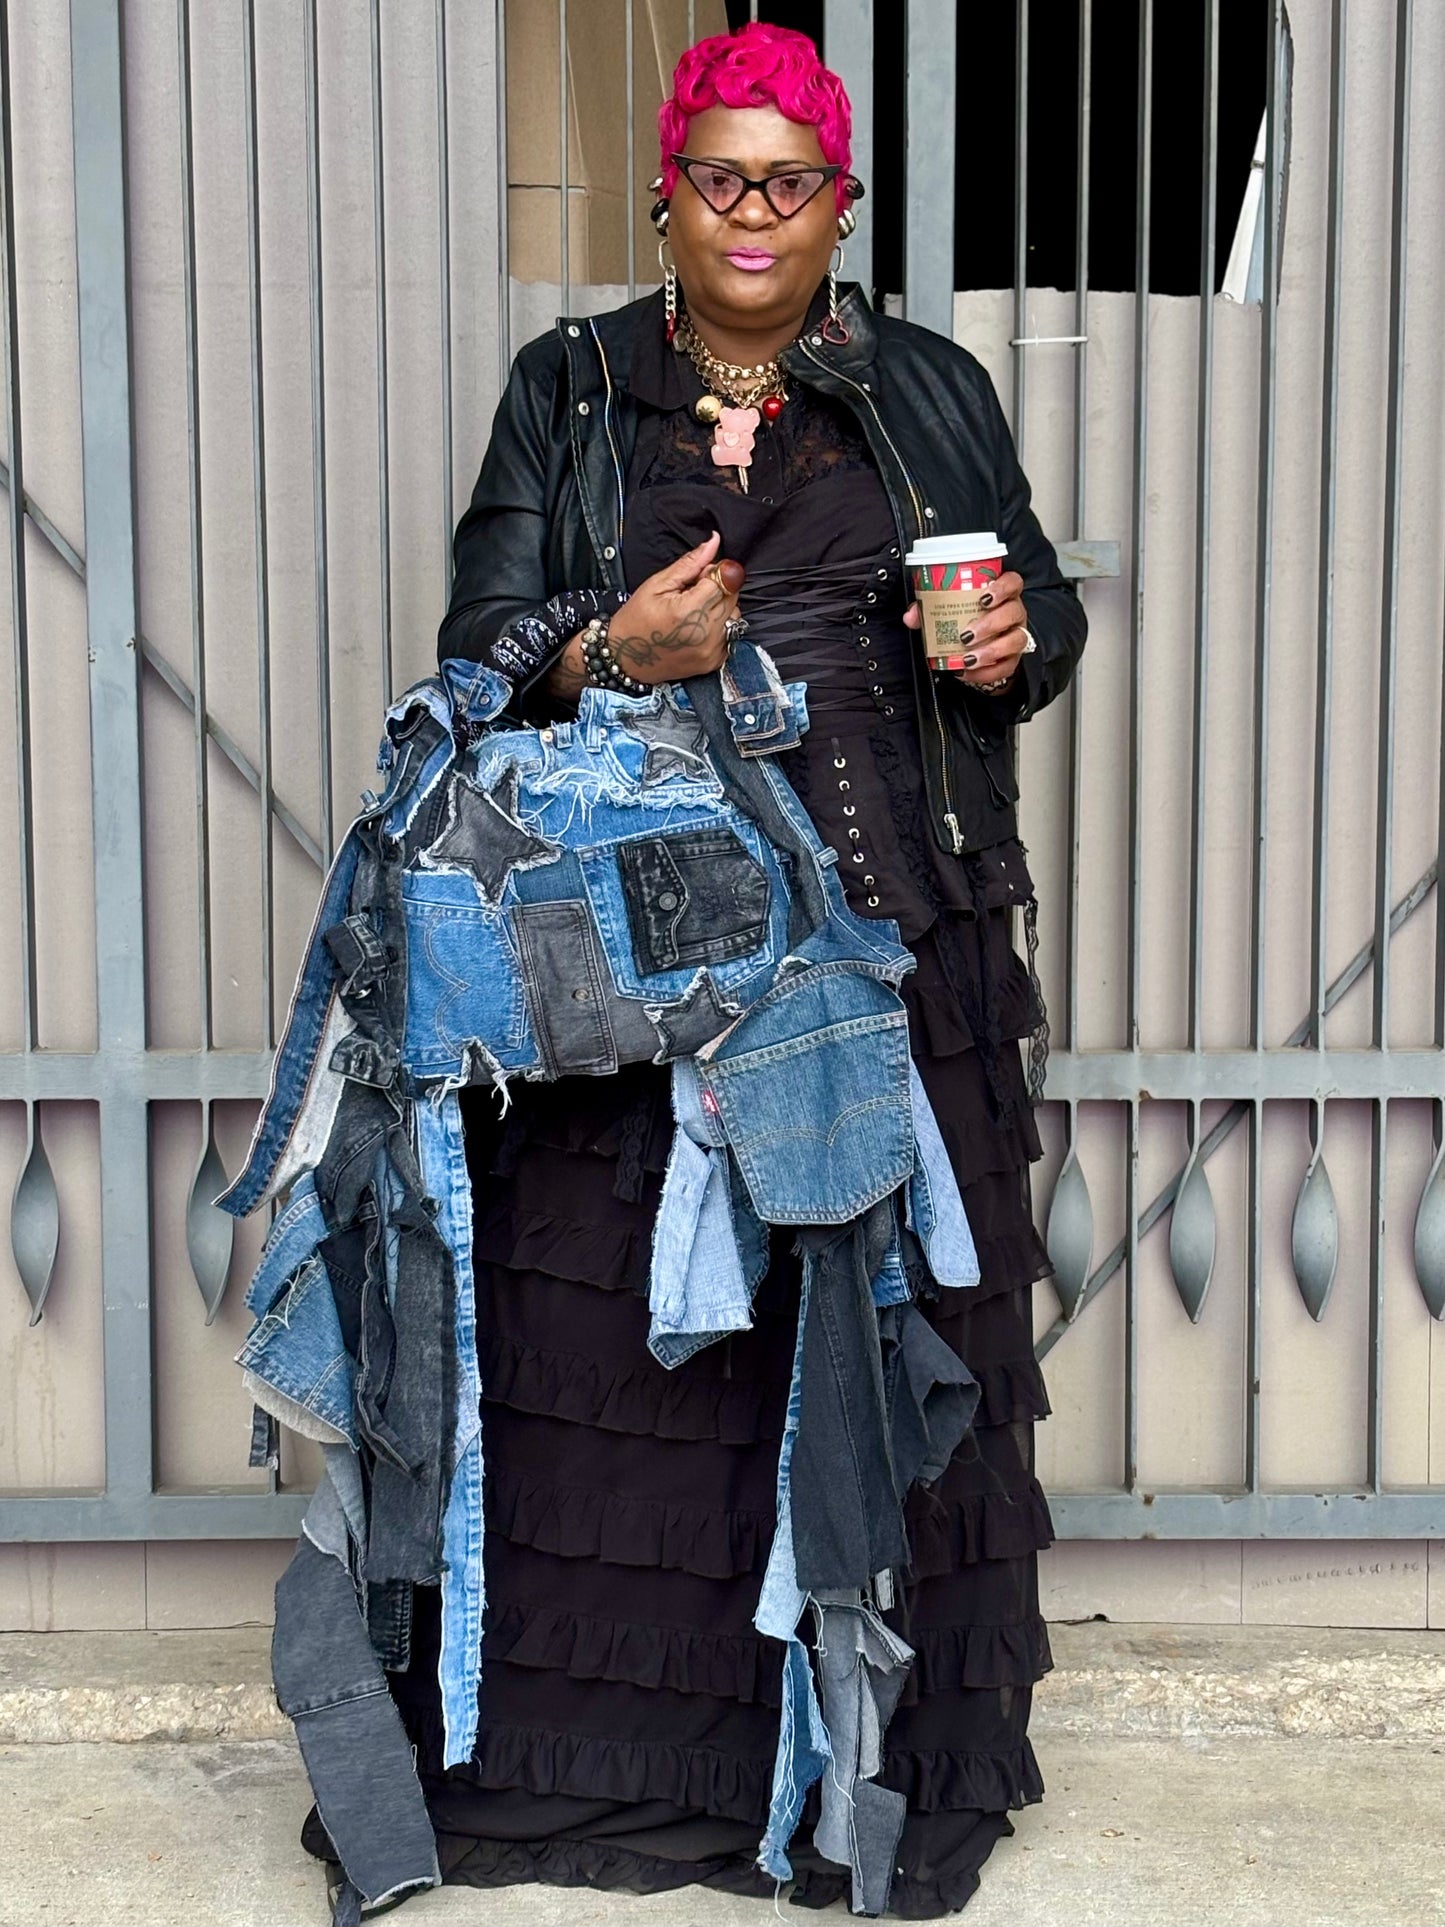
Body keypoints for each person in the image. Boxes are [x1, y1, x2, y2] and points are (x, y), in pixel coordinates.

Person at [372, 21, 1086, 1917]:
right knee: (638, 1345)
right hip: (639, 932)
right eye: (720, 179)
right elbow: (479, 640)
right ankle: (640, 1767)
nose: (754, 213)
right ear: (667, 195)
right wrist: (608, 652)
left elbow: (1038, 611)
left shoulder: (924, 384)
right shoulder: (572, 383)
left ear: (840, 205)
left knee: (873, 1329)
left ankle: (868, 1764)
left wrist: (1009, 649)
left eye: (792, 182)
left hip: (885, 921)